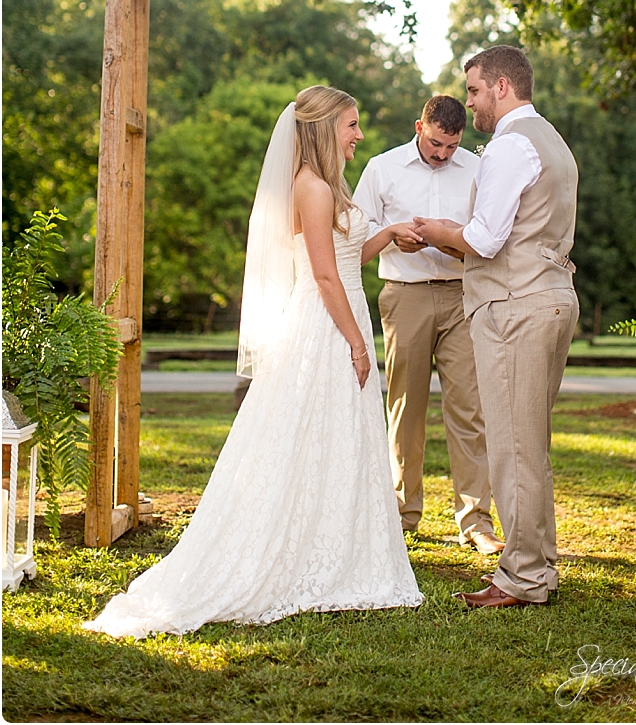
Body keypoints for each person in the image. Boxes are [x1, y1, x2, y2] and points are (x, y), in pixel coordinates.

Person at [84, 86, 423, 638]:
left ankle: (337, 549)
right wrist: (358, 344)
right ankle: (293, 555)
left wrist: (384, 235)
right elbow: (322, 275)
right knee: (302, 438)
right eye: (352, 125)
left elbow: (343, 256)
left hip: (339, 314)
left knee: (336, 439)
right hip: (325, 325)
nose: (359, 134)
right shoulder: (310, 188)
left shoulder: (329, 186)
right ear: (321, 128)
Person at [413, 47, 579, 609]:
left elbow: (485, 239)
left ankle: (524, 577)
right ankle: (538, 567)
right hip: (550, 297)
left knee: (513, 447)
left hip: (516, 306)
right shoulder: (553, 141)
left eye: (476, 90)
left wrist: (440, 231)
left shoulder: (511, 145)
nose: (471, 102)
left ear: (502, 86)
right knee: (528, 444)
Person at [353, 95, 503, 555]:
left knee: (469, 409)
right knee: (405, 407)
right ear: (419, 126)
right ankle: (402, 514)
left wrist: (452, 241)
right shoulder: (381, 168)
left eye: (452, 146)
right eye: (436, 143)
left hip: (463, 296)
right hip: (406, 295)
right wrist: (395, 237)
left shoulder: (478, 170)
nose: (442, 154)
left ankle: (476, 522)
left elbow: (490, 236)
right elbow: (357, 237)